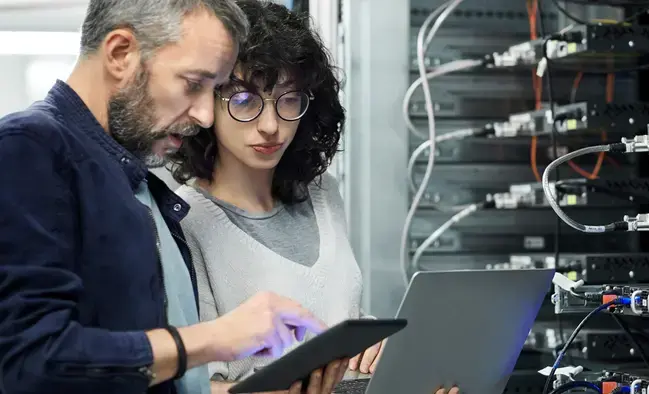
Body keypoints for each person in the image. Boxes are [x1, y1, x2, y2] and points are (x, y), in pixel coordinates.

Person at [0, 1, 344, 394]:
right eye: (193, 84)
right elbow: (30, 360)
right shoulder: (28, 147)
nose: (205, 117)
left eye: (213, 90)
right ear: (120, 54)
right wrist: (214, 339)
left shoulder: (137, 185)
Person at [168, 4, 456, 394]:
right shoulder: (186, 222)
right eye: (244, 101)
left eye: (288, 100)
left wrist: (379, 350)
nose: (271, 126)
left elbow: (341, 317)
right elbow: (187, 385)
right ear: (207, 105)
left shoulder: (323, 195)